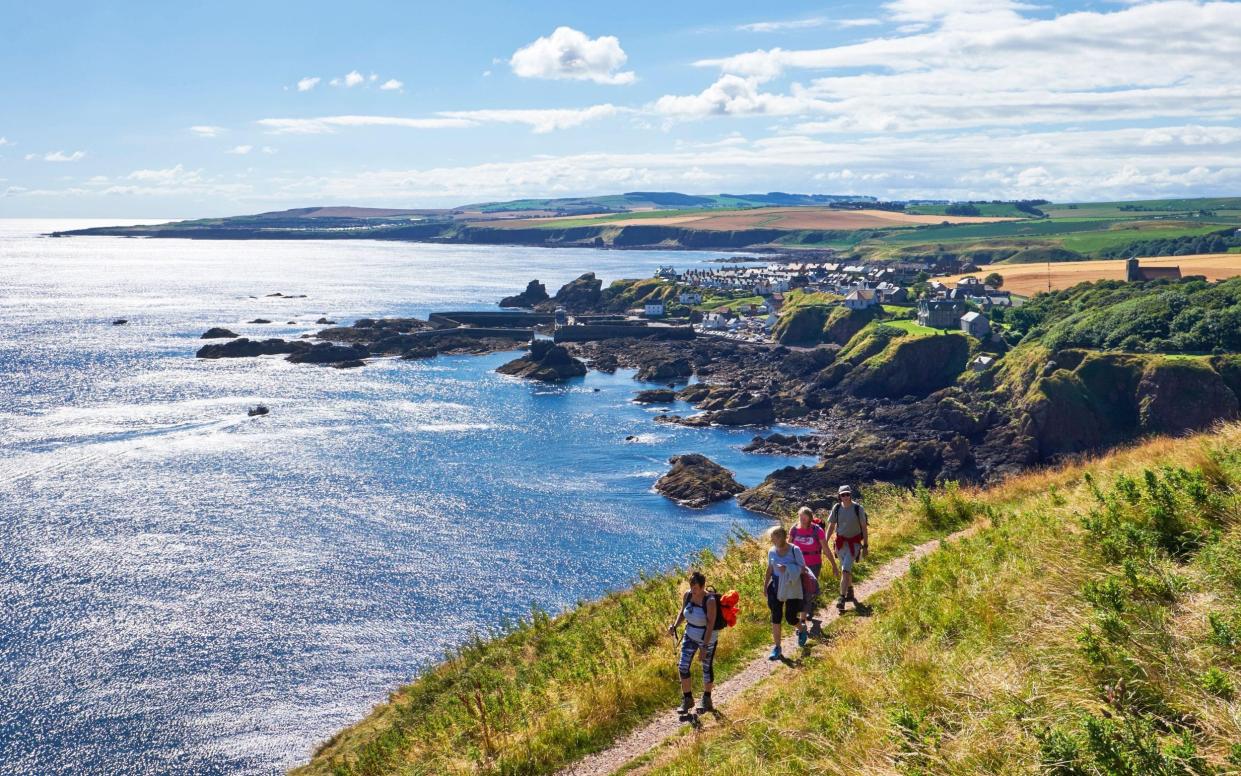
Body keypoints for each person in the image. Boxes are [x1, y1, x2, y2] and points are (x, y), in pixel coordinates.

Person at [667, 571, 718, 714]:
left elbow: (710, 625)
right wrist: (675, 626)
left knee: (706, 667)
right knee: (683, 667)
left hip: (707, 638)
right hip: (690, 636)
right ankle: (687, 699)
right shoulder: (688, 595)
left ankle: (707, 699)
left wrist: (704, 647)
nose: (692, 590)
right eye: (691, 586)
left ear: (702, 587)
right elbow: (683, 612)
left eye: (695, 587)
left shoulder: (710, 601)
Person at [789, 506, 838, 643]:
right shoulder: (794, 529)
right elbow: (788, 547)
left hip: (814, 565)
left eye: (805, 518)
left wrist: (834, 566)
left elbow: (826, 549)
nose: (803, 521)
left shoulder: (817, 530)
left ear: (810, 518)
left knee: (807, 592)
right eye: (800, 518)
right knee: (801, 592)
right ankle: (807, 610)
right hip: (798, 566)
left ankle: (802, 621)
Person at [763, 526, 805, 660]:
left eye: (773, 537)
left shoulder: (794, 550)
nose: (771, 540)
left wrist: (787, 568)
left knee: (790, 617)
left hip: (791, 587)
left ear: (781, 537)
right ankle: (777, 647)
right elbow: (770, 569)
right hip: (775, 587)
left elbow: (803, 569)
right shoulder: (771, 551)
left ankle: (801, 628)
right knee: (776, 617)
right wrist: (765, 586)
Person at [825, 485, 868, 612]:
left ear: (850, 494)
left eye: (847, 494)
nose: (845, 497)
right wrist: (825, 541)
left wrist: (865, 546)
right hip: (840, 544)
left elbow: (864, 528)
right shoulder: (837, 508)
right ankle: (850, 590)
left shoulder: (858, 508)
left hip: (854, 544)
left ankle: (841, 598)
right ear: (839, 496)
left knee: (845, 570)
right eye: (843, 495)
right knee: (846, 570)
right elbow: (831, 526)